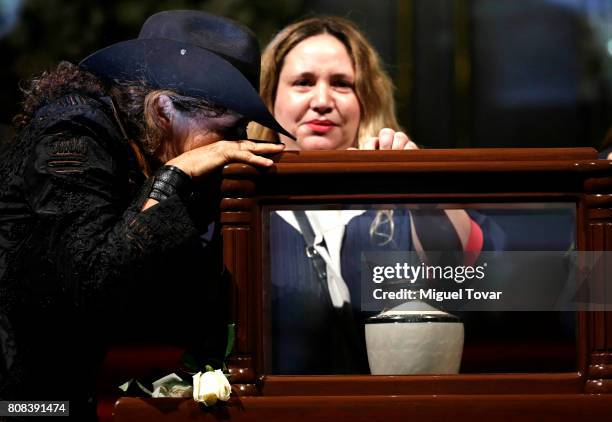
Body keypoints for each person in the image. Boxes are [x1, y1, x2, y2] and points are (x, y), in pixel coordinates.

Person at [0, 10, 288, 420]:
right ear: (165, 110)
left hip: (68, 386)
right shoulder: (71, 133)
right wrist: (177, 175)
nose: (234, 146)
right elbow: (94, 280)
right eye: (229, 130)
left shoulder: (152, 148)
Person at [249, 16, 503, 374]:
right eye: (303, 83)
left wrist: (419, 187)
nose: (322, 100)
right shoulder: (241, 207)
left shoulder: (397, 206)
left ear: (365, 100)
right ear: (269, 98)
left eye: (341, 84)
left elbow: (489, 278)